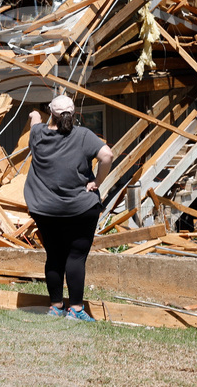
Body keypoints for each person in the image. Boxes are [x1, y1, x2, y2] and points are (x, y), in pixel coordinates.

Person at [25, 95, 114, 322]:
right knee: (75, 257)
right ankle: (75, 309)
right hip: (80, 208)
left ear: (51, 114)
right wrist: (97, 183)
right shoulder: (83, 135)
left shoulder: (37, 134)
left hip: (45, 208)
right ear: (73, 115)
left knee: (54, 255)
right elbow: (107, 155)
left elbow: (34, 120)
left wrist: (36, 115)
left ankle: (56, 306)